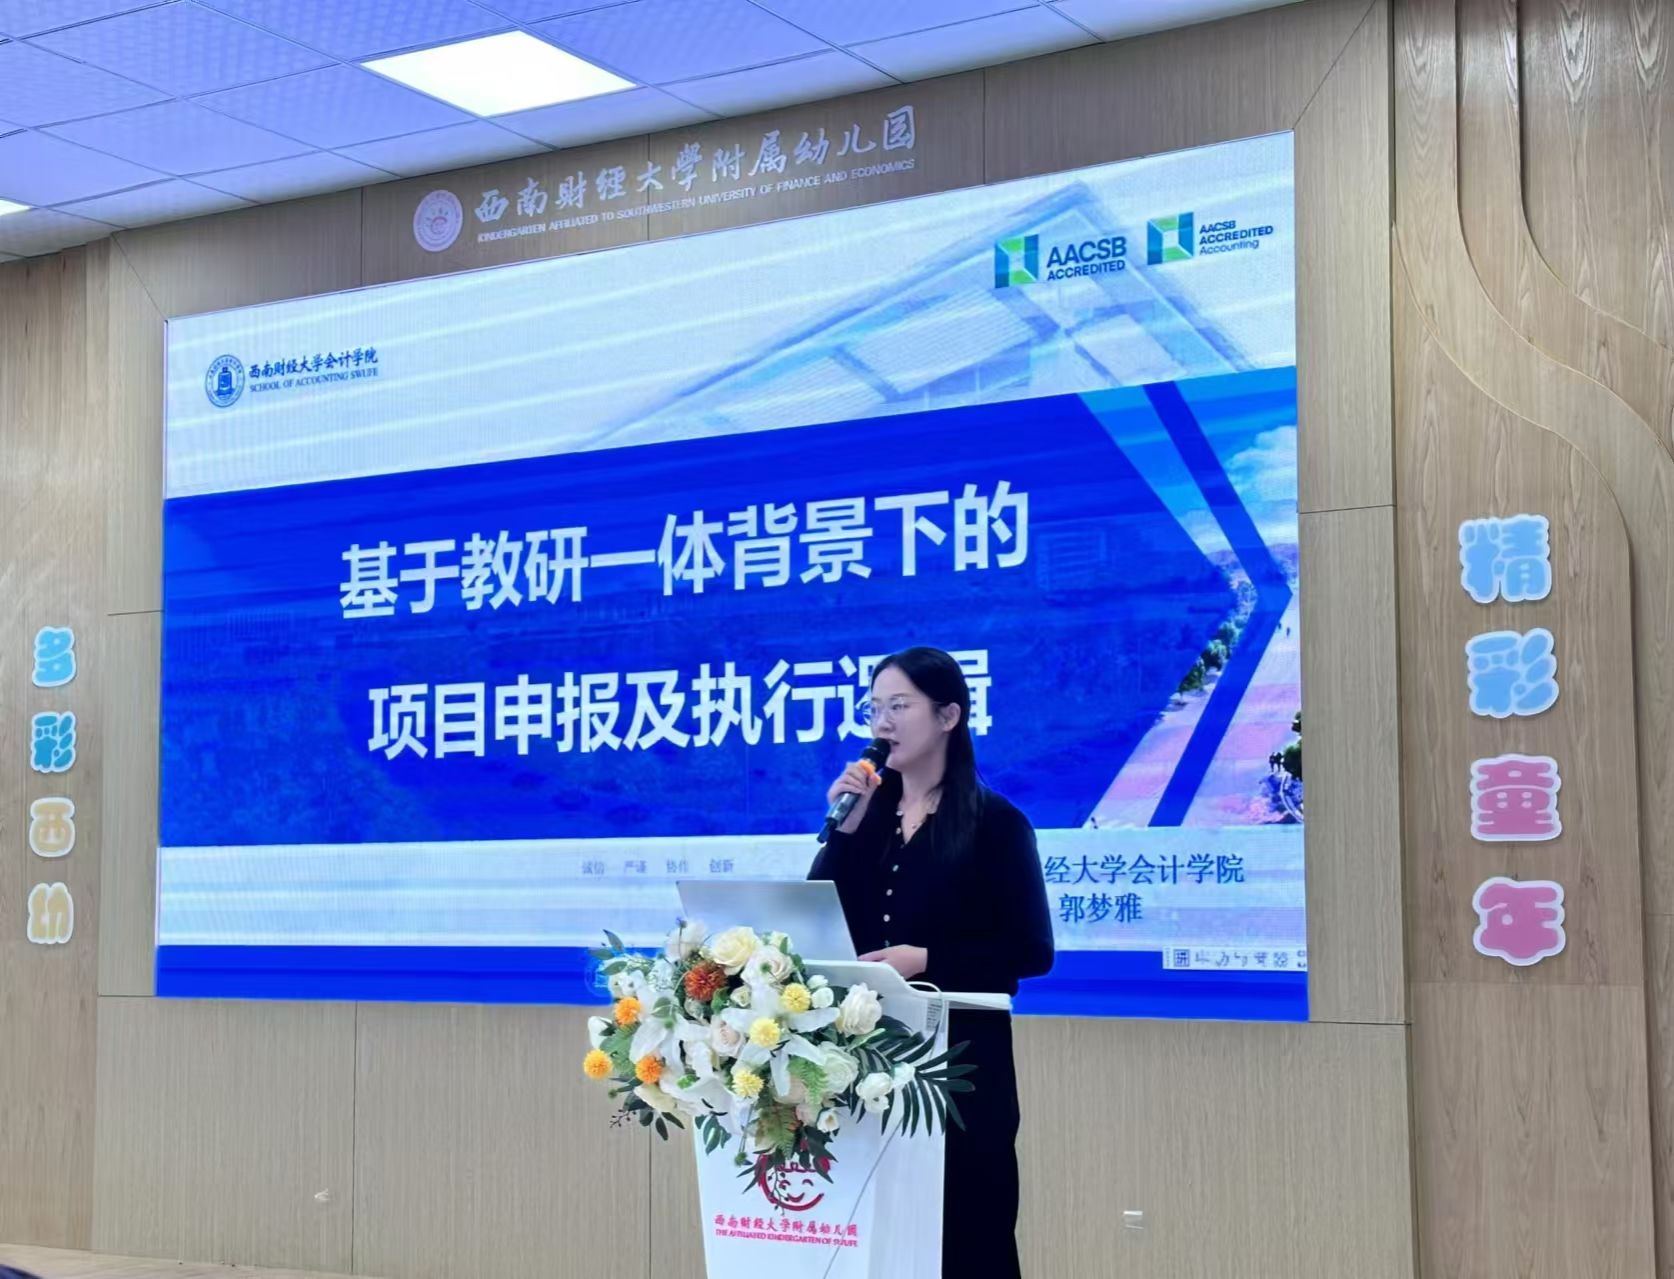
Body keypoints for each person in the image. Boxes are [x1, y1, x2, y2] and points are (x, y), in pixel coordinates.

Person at [808, 645, 1055, 1279]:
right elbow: (820, 921)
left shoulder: (996, 824)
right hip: (869, 1064)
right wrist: (845, 832)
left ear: (948, 716)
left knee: (967, 1239)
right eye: (874, 708)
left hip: (962, 1071)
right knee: (877, 1240)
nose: (882, 722)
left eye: (899, 706)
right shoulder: (866, 820)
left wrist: (927, 959)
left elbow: (1032, 951)